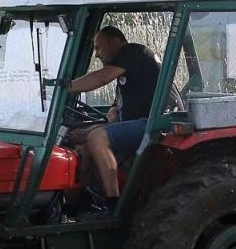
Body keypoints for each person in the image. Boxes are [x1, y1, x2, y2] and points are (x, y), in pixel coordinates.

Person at [62, 26, 161, 210]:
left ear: (115, 42)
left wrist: (63, 87)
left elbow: (101, 78)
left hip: (152, 124)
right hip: (136, 125)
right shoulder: (129, 77)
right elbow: (114, 117)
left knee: (97, 138)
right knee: (84, 144)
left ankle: (113, 204)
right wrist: (85, 132)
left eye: (98, 48)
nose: (96, 54)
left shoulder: (132, 51)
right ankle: (74, 203)